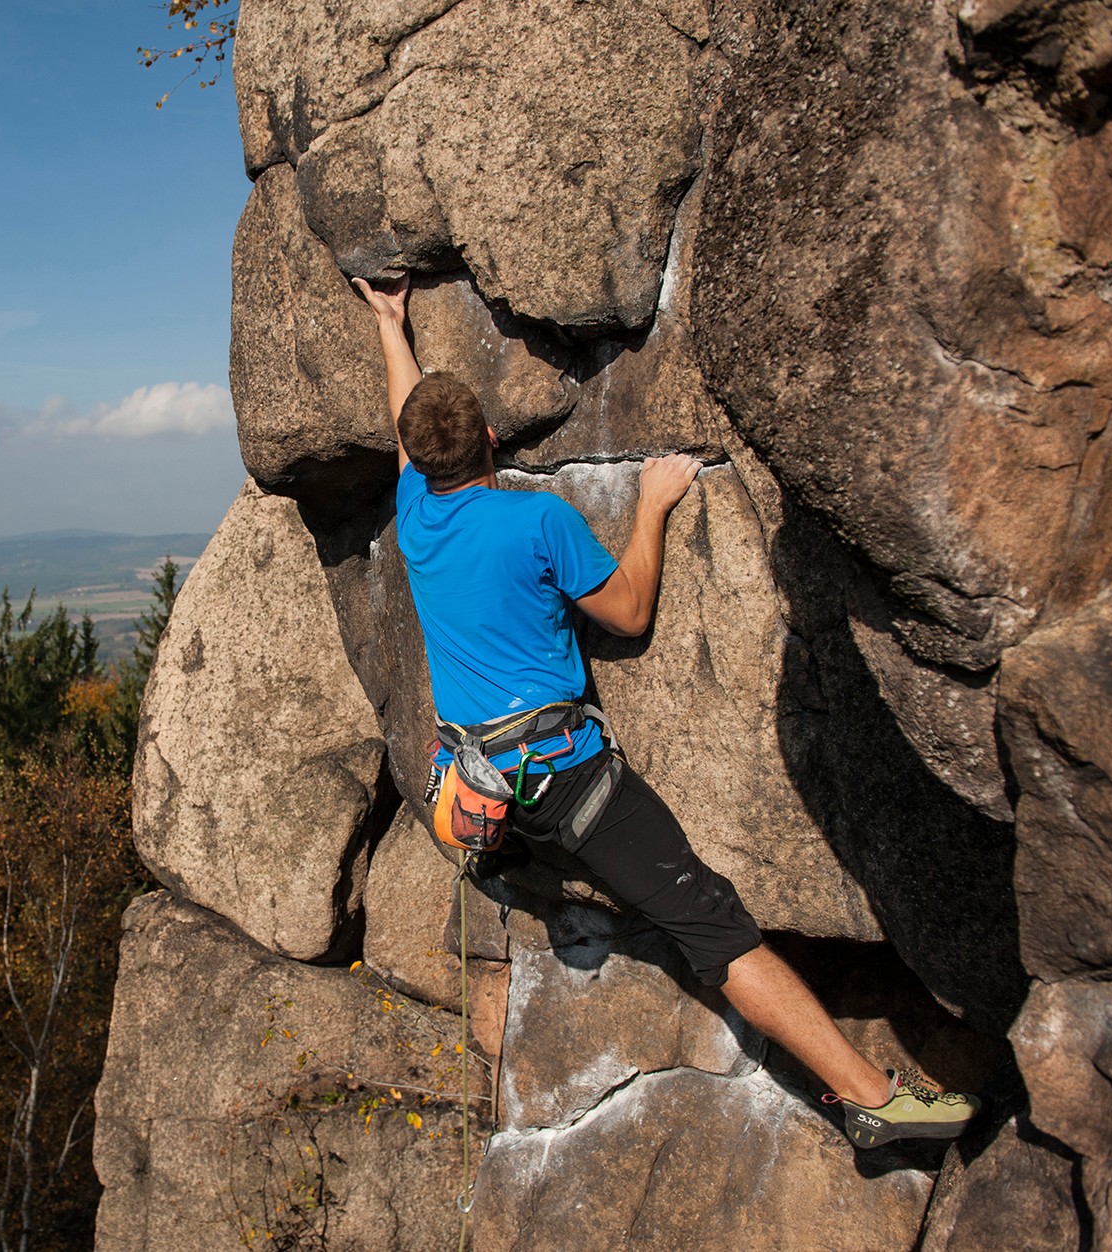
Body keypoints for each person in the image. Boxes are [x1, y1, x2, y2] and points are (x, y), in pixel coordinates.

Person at [352, 273, 980, 1150]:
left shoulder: (415, 516)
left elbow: (401, 417)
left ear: (419, 463)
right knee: (714, 930)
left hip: (483, 786)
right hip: (571, 784)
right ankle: (869, 1098)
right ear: (493, 440)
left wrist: (390, 323)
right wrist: (649, 506)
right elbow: (630, 613)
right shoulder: (536, 521)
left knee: (666, 906)